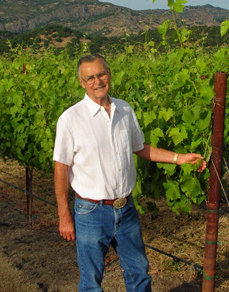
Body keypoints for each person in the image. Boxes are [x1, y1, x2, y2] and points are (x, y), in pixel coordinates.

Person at [53, 53, 206, 292]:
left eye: (101, 74)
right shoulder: (71, 119)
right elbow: (61, 170)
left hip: (126, 208)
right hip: (91, 212)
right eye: (90, 77)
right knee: (91, 282)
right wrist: (64, 216)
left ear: (109, 74)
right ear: (82, 82)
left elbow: (141, 148)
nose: (98, 81)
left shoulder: (124, 109)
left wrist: (179, 158)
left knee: (139, 273)